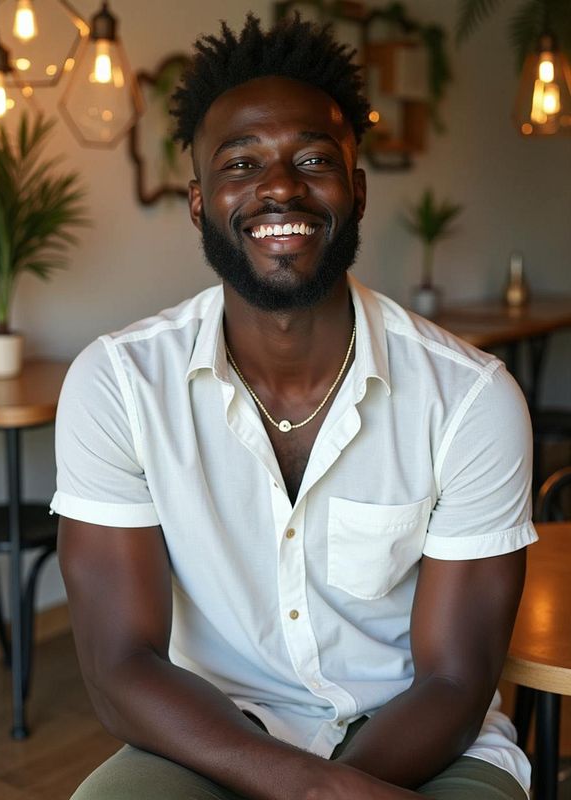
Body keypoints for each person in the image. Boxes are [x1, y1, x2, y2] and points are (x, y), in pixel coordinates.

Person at [53, 14, 538, 800]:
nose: (279, 186)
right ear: (199, 201)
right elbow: (120, 665)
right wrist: (310, 791)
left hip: (427, 742)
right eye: (241, 163)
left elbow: (454, 679)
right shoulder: (118, 386)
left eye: (312, 159)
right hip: (207, 734)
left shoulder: (471, 399)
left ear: (357, 187)